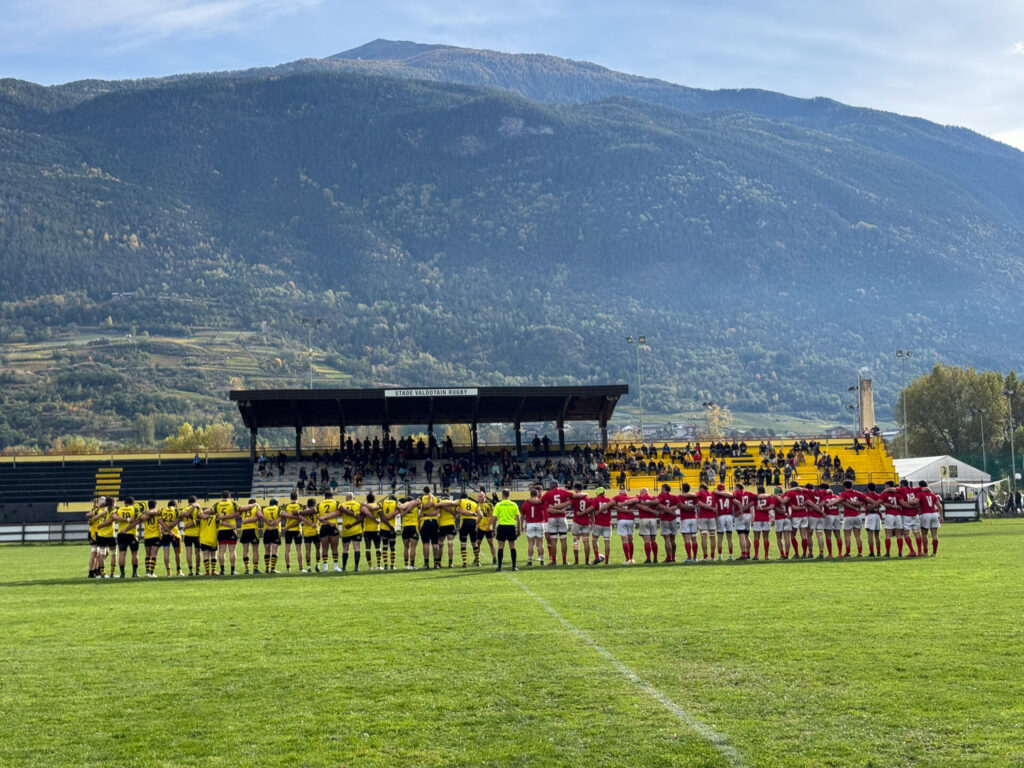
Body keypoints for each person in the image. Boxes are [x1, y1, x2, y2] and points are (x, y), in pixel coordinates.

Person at [540, 481, 572, 566]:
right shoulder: (563, 491)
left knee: (553, 540)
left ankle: (554, 560)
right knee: (563, 539)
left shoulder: (548, 494)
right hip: (562, 517)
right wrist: (563, 507)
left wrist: (554, 508)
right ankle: (564, 561)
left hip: (552, 518)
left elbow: (544, 505)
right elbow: (572, 498)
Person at [492, 489, 521, 571]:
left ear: (502, 495)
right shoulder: (513, 504)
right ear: (509, 495)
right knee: (512, 546)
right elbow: (518, 518)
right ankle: (514, 566)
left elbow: (494, 518)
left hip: (501, 526)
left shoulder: (498, 504)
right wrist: (518, 529)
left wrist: (493, 530)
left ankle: (499, 567)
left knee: (501, 546)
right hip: (511, 526)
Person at [113, 496, 142, 578]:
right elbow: (139, 519)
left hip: (121, 534)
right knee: (134, 553)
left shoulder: (119, 510)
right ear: (134, 503)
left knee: (122, 553)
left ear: (124, 503)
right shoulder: (135, 510)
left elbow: (114, 518)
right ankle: (134, 573)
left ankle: (122, 574)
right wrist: (129, 520)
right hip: (132, 534)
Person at [838, 480, 866, 557]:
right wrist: (858, 504)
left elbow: (840, 501)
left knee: (847, 535)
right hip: (858, 516)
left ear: (844, 487)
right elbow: (864, 500)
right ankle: (860, 552)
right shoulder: (857, 493)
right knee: (858, 535)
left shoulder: (844, 494)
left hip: (848, 516)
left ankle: (848, 552)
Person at [568, 483, 594, 565]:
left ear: (576, 488)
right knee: (586, 541)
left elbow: (569, 503)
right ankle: (587, 560)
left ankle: (576, 561)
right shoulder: (588, 499)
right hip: (586, 522)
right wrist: (592, 521)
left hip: (577, 522)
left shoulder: (574, 499)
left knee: (576, 541)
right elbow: (591, 511)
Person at [416, 487, 441, 569]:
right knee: (435, 544)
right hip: (434, 522)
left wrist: (425, 515)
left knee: (426, 544)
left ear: (423, 492)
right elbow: (437, 511)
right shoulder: (436, 499)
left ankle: (426, 564)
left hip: (424, 522)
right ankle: (436, 563)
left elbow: (425, 507)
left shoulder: (420, 499)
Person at [338, 492, 364, 572]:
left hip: (346, 530)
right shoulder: (358, 505)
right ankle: (356, 567)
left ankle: (344, 567)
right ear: (354, 498)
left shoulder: (342, 505)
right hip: (356, 529)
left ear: (346, 498)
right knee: (357, 548)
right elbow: (361, 519)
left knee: (345, 549)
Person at [916, 481, 944, 556]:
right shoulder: (932, 494)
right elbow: (939, 506)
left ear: (920, 486)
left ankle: (925, 552)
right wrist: (941, 516)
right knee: (934, 534)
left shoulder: (920, 493)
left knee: (924, 534)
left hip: (925, 515)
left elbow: (917, 503)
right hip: (934, 514)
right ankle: (934, 553)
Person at [316, 491, 341, 572]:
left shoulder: (319, 505)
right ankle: (335, 567)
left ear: (325, 497)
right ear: (332, 496)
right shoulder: (336, 503)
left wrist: (325, 519)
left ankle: (325, 568)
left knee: (324, 549)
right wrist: (330, 523)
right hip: (333, 526)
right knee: (334, 548)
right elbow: (338, 512)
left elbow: (320, 518)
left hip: (323, 527)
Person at [751, 486, 778, 560]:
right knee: (766, 537)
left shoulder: (756, 498)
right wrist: (764, 509)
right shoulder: (769, 498)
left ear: (758, 491)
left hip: (757, 519)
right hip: (766, 519)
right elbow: (771, 507)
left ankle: (756, 555)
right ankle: (766, 555)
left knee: (756, 537)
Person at [158, 499, 184, 576]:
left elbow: (161, 522)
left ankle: (169, 572)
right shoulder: (176, 511)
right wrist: (170, 529)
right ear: (175, 505)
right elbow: (177, 521)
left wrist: (166, 530)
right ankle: (179, 571)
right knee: (177, 553)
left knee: (166, 553)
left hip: (165, 534)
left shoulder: (162, 510)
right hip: (174, 534)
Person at [588, 487, 614, 565]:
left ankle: (596, 557)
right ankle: (607, 560)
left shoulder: (595, 500)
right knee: (607, 542)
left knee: (594, 539)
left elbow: (591, 510)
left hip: (598, 523)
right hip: (607, 524)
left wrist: (592, 520)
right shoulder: (609, 500)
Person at [281, 491, 306, 572]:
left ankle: (288, 569)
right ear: (297, 497)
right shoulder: (300, 506)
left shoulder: (286, 506)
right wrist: (295, 517)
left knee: (287, 550)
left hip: (288, 530)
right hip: (297, 530)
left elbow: (283, 515)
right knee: (299, 550)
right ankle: (301, 568)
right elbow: (299, 520)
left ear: (290, 497)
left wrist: (288, 526)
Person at [179, 495, 203, 576]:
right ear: (195, 501)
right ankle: (198, 570)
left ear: (188, 502)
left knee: (188, 552)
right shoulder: (198, 508)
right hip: (197, 534)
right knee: (198, 553)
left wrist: (186, 526)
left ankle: (190, 571)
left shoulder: (184, 509)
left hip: (187, 534)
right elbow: (201, 518)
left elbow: (183, 515)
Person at [458, 491, 483, 567]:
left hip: (464, 522)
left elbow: (460, 511)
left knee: (463, 543)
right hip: (473, 522)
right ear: (468, 498)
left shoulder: (460, 502)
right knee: (474, 543)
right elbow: (481, 515)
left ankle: (465, 562)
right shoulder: (475, 504)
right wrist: (476, 523)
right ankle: (478, 561)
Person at [612, 488, 637, 564]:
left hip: (622, 519)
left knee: (624, 539)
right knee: (630, 539)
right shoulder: (630, 498)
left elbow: (611, 504)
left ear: (620, 493)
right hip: (630, 519)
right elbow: (636, 501)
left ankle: (627, 559)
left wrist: (619, 507)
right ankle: (631, 559)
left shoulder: (617, 497)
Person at [656, 483, 679, 563]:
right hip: (673, 519)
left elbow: (658, 504)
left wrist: (666, 510)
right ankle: (673, 556)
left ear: (664, 489)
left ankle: (669, 557)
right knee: (673, 539)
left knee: (667, 539)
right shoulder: (674, 496)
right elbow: (678, 505)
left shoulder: (661, 496)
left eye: (661, 488)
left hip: (664, 519)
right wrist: (671, 511)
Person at [695, 484, 718, 562]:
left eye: (699, 488)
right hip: (712, 517)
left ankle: (705, 557)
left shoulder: (701, 493)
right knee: (712, 537)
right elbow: (716, 506)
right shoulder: (713, 494)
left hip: (703, 517)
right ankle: (712, 557)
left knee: (703, 537)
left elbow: (697, 499)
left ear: (702, 488)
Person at [711, 484, 735, 561]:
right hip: (729, 516)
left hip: (721, 516)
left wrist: (715, 517)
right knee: (729, 538)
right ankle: (731, 555)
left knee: (720, 538)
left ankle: (720, 556)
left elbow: (716, 509)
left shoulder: (716, 497)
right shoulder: (729, 496)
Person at [258, 498, 282, 573]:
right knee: (274, 551)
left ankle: (267, 568)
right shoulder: (278, 508)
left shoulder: (265, 509)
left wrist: (268, 522)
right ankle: (273, 569)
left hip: (266, 530)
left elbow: (261, 517)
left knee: (267, 551)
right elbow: (281, 517)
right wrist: (274, 523)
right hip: (275, 530)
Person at [297, 498, 321, 573]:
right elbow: (319, 517)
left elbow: (299, 516)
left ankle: (309, 567)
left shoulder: (304, 512)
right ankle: (317, 564)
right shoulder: (316, 510)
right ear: (314, 504)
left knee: (308, 550)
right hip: (316, 532)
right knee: (318, 549)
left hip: (307, 533)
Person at [676, 484, 698, 563]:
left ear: (682, 489)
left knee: (687, 539)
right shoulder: (693, 496)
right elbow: (696, 504)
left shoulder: (680, 496)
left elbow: (681, 506)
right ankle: (695, 558)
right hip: (693, 518)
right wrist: (692, 507)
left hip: (685, 519)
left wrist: (687, 507)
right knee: (694, 539)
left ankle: (689, 557)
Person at [239, 497, 262, 574]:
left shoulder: (243, 509)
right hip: (253, 529)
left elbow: (239, 514)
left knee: (245, 550)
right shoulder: (256, 507)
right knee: (255, 550)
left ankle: (247, 569)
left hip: (244, 530)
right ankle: (255, 569)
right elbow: (257, 517)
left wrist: (245, 521)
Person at [436, 492, 459, 568]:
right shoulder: (452, 503)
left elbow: (437, 512)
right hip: (451, 525)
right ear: (449, 497)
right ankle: (450, 563)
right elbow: (456, 513)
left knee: (440, 545)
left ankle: (438, 563)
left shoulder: (440, 503)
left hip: (442, 525)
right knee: (450, 545)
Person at [377, 494, 400, 570]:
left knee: (385, 546)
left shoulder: (382, 503)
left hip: (383, 528)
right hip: (392, 528)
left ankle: (386, 565)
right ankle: (392, 566)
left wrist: (386, 522)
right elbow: (400, 509)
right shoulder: (396, 503)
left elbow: (380, 514)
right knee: (392, 547)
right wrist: (390, 525)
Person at [362, 492, 383, 570]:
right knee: (378, 548)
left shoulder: (364, 507)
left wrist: (365, 504)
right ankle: (378, 566)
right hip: (376, 529)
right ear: (374, 499)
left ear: (367, 499)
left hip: (367, 529)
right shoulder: (377, 505)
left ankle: (370, 566)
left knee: (368, 548)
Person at [141, 499, 162, 578]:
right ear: (155, 505)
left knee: (147, 555)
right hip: (155, 536)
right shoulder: (157, 513)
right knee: (154, 555)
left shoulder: (145, 514)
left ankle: (147, 572)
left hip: (147, 536)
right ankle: (151, 573)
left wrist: (146, 512)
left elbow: (143, 517)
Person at [475, 491, 497, 564]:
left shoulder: (489, 505)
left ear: (485, 497)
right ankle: (477, 559)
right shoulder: (476, 505)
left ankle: (494, 558)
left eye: (481, 496)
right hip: (480, 527)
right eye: (478, 496)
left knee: (490, 542)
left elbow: (492, 516)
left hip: (488, 527)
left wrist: (488, 525)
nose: (479, 498)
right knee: (477, 543)